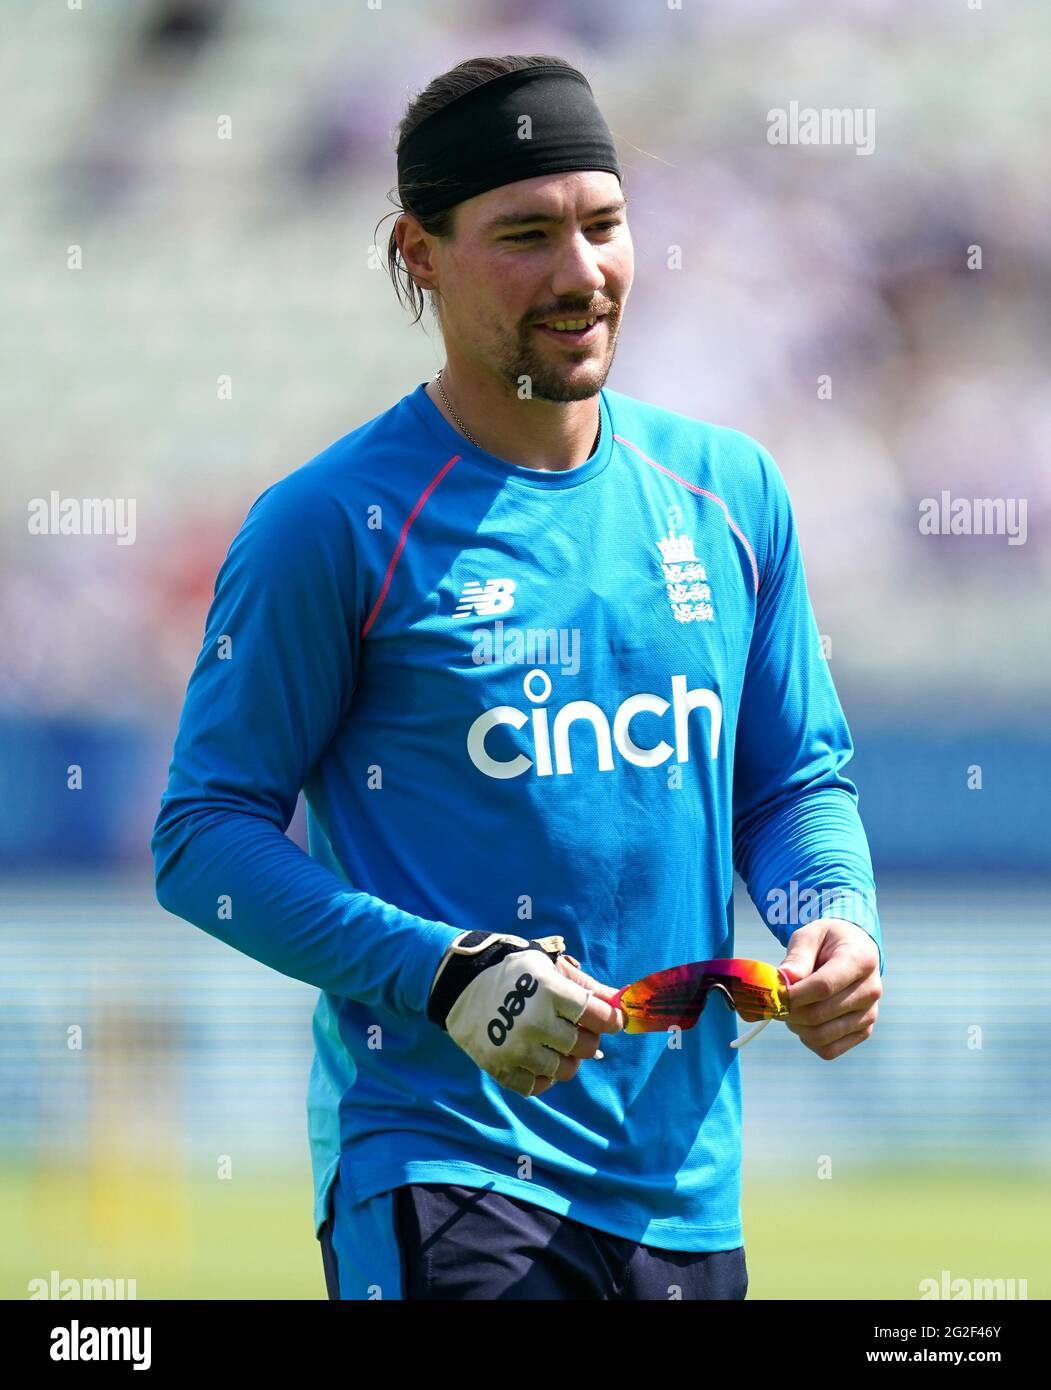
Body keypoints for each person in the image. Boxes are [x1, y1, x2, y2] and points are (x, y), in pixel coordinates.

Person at [151, 53, 884, 1302]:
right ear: (418, 253)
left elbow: (789, 781)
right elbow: (204, 840)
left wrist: (833, 913)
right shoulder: (328, 525)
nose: (580, 272)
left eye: (603, 225)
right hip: (447, 1164)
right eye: (526, 234)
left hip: (686, 1187)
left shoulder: (729, 493)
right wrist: (441, 971)